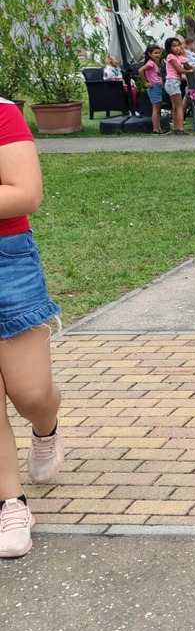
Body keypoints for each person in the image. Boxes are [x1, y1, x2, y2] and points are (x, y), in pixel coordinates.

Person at [0, 99, 64, 558]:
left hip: (7, 260)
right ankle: (11, 503)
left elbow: (26, 194)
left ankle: (46, 428)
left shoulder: (3, 113)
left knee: (31, 395)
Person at [163, 36, 191, 137]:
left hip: (176, 82)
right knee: (179, 106)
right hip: (172, 81)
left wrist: (185, 59)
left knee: (175, 106)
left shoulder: (180, 57)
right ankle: (180, 128)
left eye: (179, 45)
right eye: (174, 46)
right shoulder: (170, 57)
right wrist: (189, 71)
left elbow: (188, 66)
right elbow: (178, 70)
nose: (177, 48)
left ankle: (176, 127)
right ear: (169, 48)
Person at [138, 44, 166, 135]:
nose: (158, 55)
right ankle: (156, 129)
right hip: (154, 86)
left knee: (157, 109)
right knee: (156, 109)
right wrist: (146, 82)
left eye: (159, 53)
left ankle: (159, 128)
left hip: (157, 86)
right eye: (155, 53)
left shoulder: (154, 63)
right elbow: (140, 70)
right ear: (149, 54)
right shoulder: (150, 63)